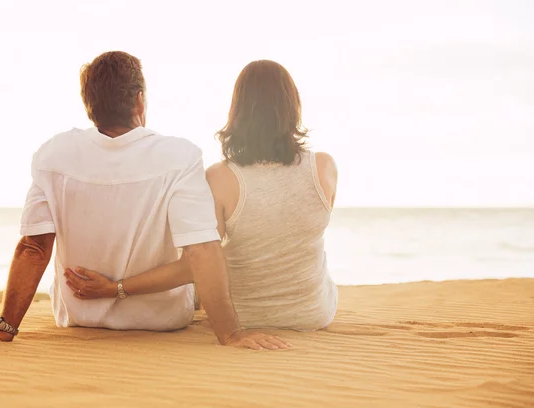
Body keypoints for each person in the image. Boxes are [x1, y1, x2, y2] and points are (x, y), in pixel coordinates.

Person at [0, 52, 289, 350]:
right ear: (139, 100)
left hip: (78, 320)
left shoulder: (53, 154)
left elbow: (34, 247)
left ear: (90, 106)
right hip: (162, 323)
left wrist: (3, 329)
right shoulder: (179, 156)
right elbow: (202, 249)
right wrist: (231, 334)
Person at [62, 60, 338, 331]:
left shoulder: (220, 177)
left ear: (237, 110)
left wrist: (115, 288)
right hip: (313, 314)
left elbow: (191, 267)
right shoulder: (324, 168)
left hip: (244, 317)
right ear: (293, 107)